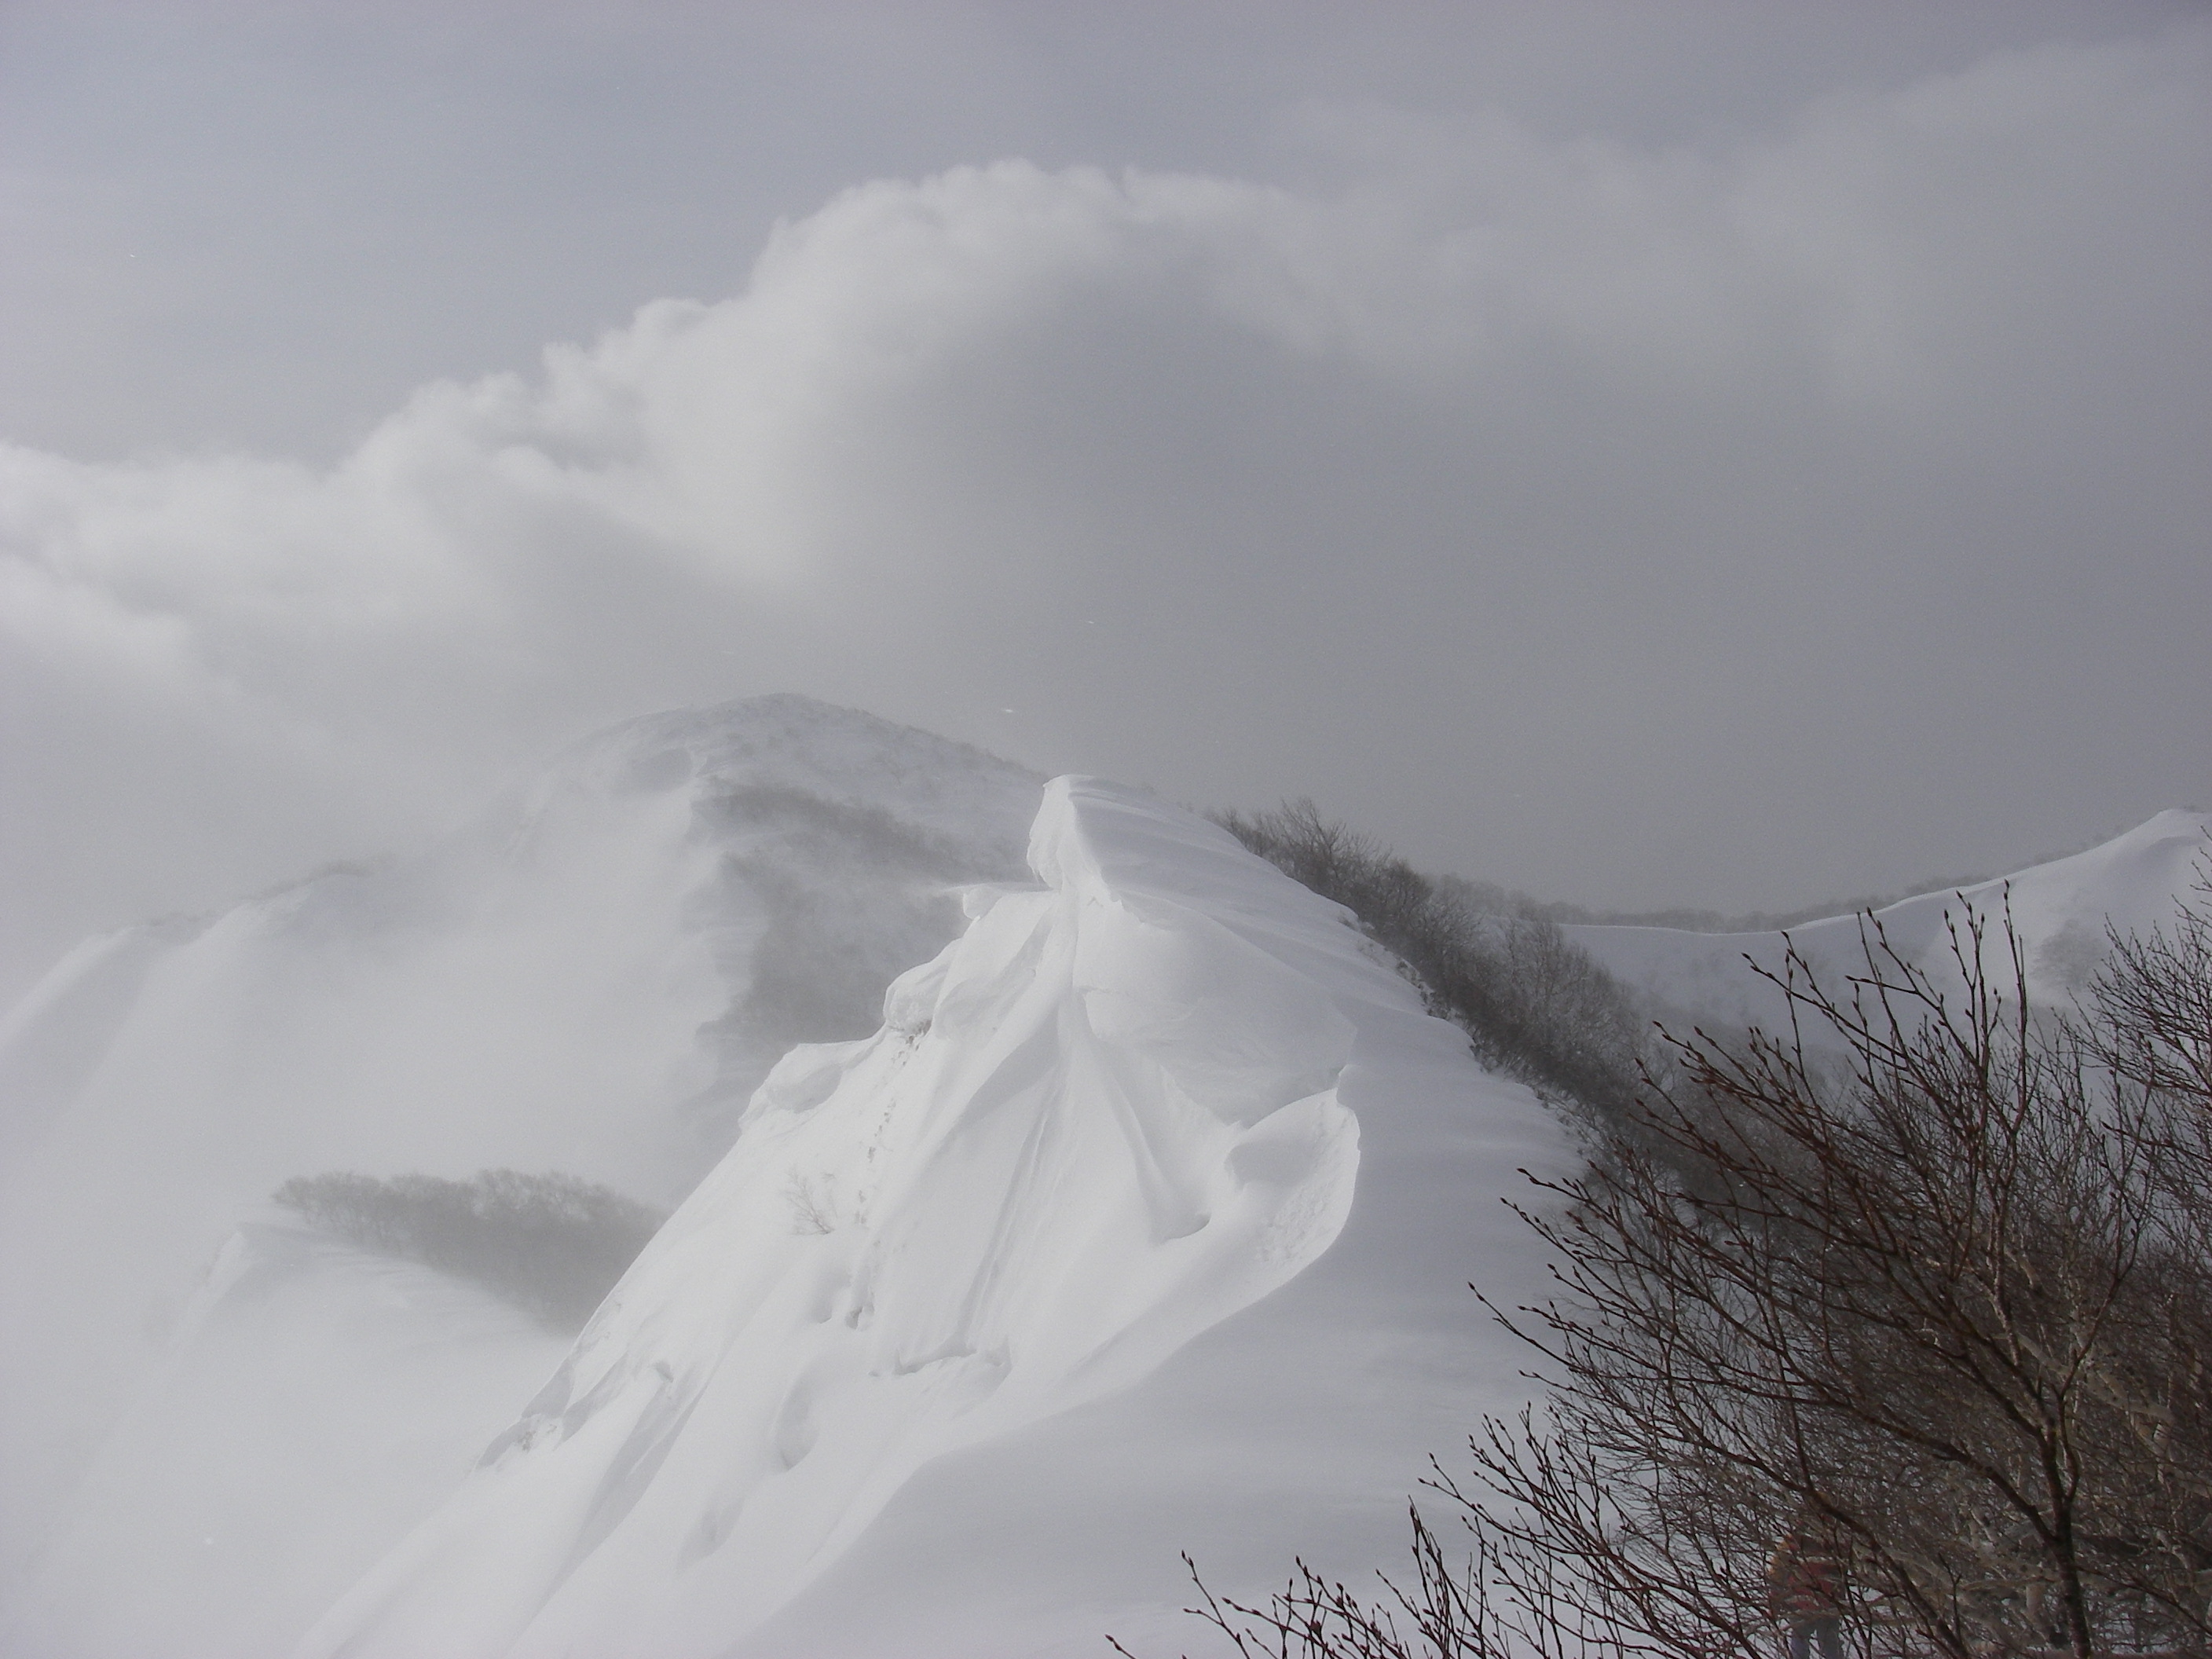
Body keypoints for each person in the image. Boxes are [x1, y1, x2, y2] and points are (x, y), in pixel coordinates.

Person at [1769, 1519, 1848, 1659]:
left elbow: (1777, 1572)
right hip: (1828, 1602)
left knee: (1801, 1642)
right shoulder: (1834, 1540)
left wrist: (1775, 1600)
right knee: (1830, 1645)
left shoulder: (1792, 1542)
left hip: (1802, 1603)